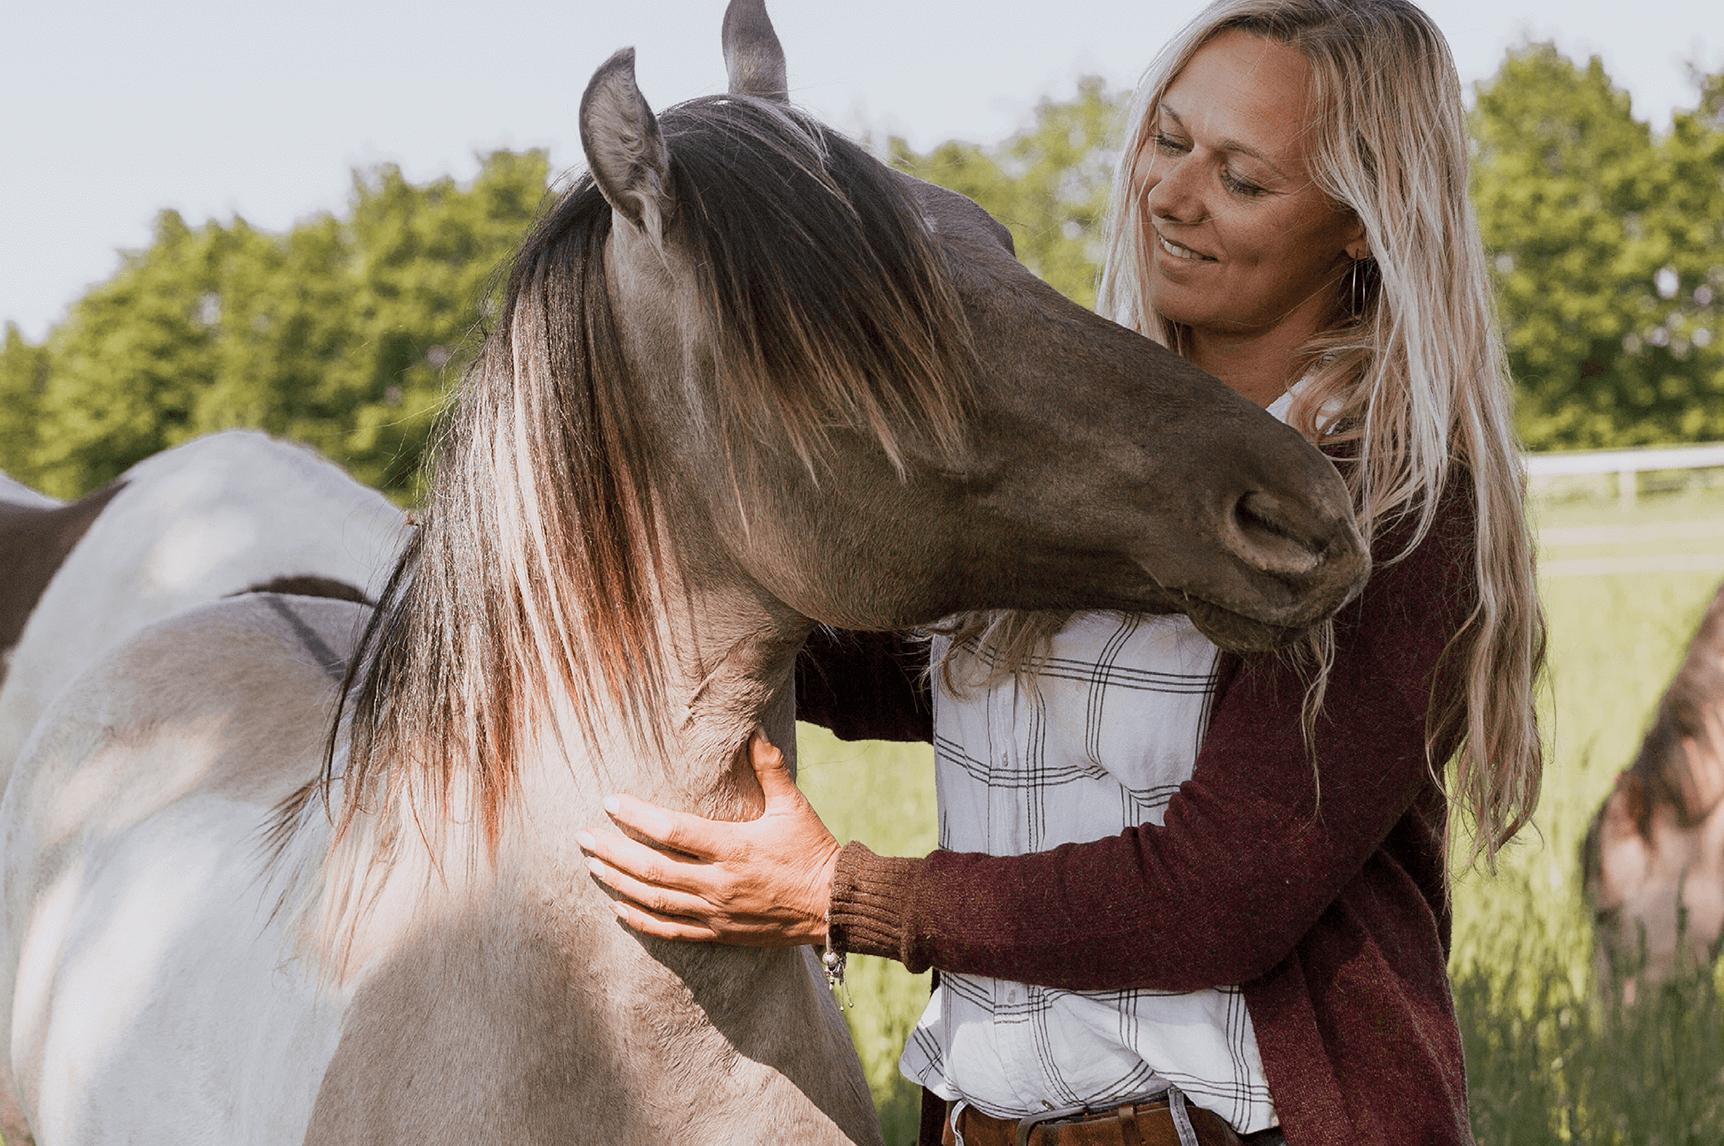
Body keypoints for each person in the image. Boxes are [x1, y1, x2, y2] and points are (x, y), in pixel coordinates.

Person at [579, 0, 1544, 1143]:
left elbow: (1223, 890)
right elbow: (911, 660)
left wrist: (839, 894)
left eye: (1243, 179)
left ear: (1359, 223)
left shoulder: (1375, 503)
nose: (1173, 196)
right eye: (1169, 139)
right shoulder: (1097, 459)